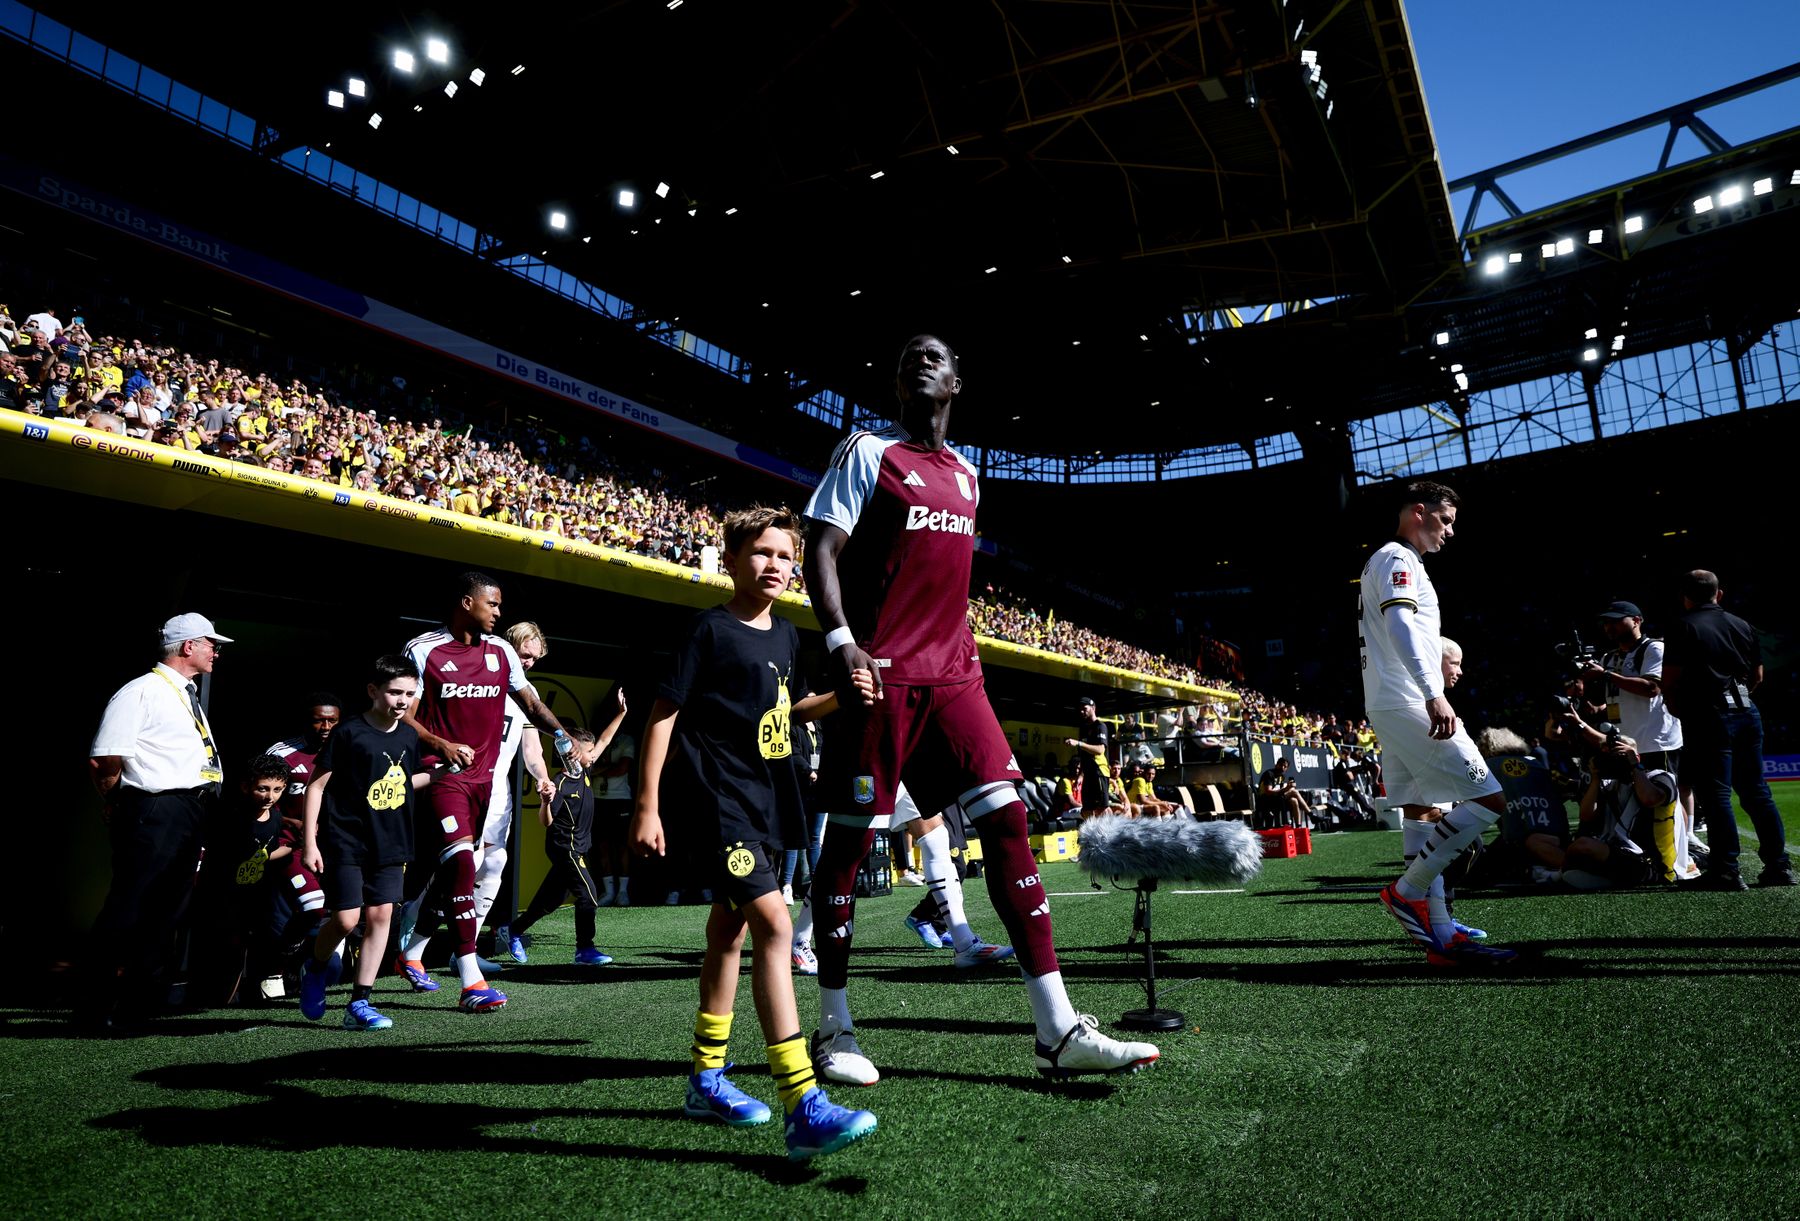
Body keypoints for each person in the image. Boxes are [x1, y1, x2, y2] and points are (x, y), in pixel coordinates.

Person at [801, 333, 1159, 1080]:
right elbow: (821, 548)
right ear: (898, 388)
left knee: (1008, 819)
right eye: (906, 358)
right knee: (848, 849)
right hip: (882, 680)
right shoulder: (869, 453)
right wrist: (843, 645)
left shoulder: (967, 475)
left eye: (933, 355)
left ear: (958, 381)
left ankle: (1057, 1028)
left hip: (957, 679)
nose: (918, 361)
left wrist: (964, 657)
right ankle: (833, 1029)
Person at [631, 505, 877, 1161]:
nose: (775, 564)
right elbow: (662, 716)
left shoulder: (789, 636)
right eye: (762, 552)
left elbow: (789, 708)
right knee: (773, 923)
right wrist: (646, 803)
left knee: (729, 929)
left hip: (769, 800)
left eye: (785, 555)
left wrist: (845, 693)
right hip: (717, 801)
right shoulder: (707, 630)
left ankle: (705, 1079)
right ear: (733, 557)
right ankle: (803, 1102)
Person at [393, 571, 581, 1013]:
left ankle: (410, 952)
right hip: (443, 778)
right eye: (492, 604)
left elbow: (531, 702)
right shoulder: (425, 650)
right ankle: (470, 977)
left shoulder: (500, 653)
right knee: (461, 863)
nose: (499, 612)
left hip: (485, 783)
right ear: (466, 603)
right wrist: (439, 744)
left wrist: (562, 737)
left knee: (455, 872)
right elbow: (405, 714)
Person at [1360, 481, 1516, 965]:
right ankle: (1407, 892)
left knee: (1421, 810)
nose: (1450, 531)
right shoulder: (1396, 558)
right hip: (1408, 700)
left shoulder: (1393, 561)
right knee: (1489, 799)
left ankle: (1440, 934)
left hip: (1388, 701)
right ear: (1419, 513)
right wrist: (1434, 694)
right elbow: (1400, 625)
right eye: (1445, 520)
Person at [82, 613, 232, 1030]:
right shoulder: (142, 691)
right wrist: (115, 802)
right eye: (210, 644)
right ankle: (97, 1006)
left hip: (188, 808)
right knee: (132, 905)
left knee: (168, 909)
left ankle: (141, 1006)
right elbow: (106, 757)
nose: (215, 651)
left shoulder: (183, 692)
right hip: (155, 807)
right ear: (188, 647)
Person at [298, 655, 434, 1031]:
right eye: (394, 692)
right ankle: (316, 966)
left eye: (410, 693)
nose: (403, 700)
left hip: (392, 842)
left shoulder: (408, 736)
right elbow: (317, 786)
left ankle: (359, 1003)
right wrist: (310, 842)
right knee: (345, 919)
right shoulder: (349, 732)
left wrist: (442, 774)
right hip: (345, 840)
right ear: (374, 691)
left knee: (381, 916)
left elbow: (403, 782)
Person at [1664, 570, 1794, 889]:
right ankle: (1779, 866)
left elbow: (1669, 680)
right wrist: (1738, 699)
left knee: (1717, 794)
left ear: (1685, 596)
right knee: (1757, 792)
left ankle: (1725, 870)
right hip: (1746, 711)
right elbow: (1758, 676)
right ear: (1718, 594)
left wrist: (1679, 709)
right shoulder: (1742, 624)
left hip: (1708, 716)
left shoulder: (1684, 626)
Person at [1579, 601, 1696, 878]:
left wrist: (1605, 674)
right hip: (1627, 740)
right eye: (1606, 622)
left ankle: (1684, 850)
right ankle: (1642, 851)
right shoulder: (1609, 657)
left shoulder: (1654, 648)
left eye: (1616, 621)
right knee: (1631, 801)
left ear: (1636, 620)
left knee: (1668, 796)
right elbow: (1610, 701)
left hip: (1657, 739)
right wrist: (1587, 699)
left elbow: (1652, 688)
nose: (1609, 627)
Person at [476, 621, 559, 964]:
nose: (528, 663)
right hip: (468, 785)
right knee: (466, 863)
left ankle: (463, 950)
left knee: (495, 863)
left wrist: (542, 778)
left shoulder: (528, 695)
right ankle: (414, 944)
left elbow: (532, 751)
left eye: (534, 659)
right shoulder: (478, 682)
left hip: (499, 792)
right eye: (525, 655)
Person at [1535, 734, 1679, 890]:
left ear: (1637, 756)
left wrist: (1635, 766)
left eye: (1619, 756)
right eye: (1609, 757)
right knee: (1565, 845)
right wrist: (1596, 778)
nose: (1614, 760)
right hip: (1622, 856)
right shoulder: (1609, 785)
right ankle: (1605, 878)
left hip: (1655, 865)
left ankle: (1558, 875)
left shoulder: (1660, 777)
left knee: (1583, 845)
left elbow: (1649, 799)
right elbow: (1586, 815)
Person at [1066, 696, 1114, 817]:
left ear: (1093, 708)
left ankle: (1110, 834)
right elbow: (1084, 756)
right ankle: (1093, 834)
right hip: (1088, 774)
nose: (1082, 711)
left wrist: (1079, 743)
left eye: (1085, 708)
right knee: (1086, 810)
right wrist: (1081, 775)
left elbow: (1100, 750)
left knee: (1102, 809)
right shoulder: (1083, 728)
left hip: (1099, 772)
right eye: (1080, 709)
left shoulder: (1100, 726)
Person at [1257, 757, 1311, 828]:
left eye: (1285, 766)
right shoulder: (1269, 774)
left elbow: (1280, 791)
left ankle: (1298, 826)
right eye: (1281, 765)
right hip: (1265, 800)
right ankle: (1311, 815)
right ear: (1276, 765)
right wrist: (1287, 789)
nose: (1282, 768)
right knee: (1294, 792)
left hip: (1276, 799)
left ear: (1286, 768)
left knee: (1294, 800)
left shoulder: (1282, 776)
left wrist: (1288, 788)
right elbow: (1268, 792)